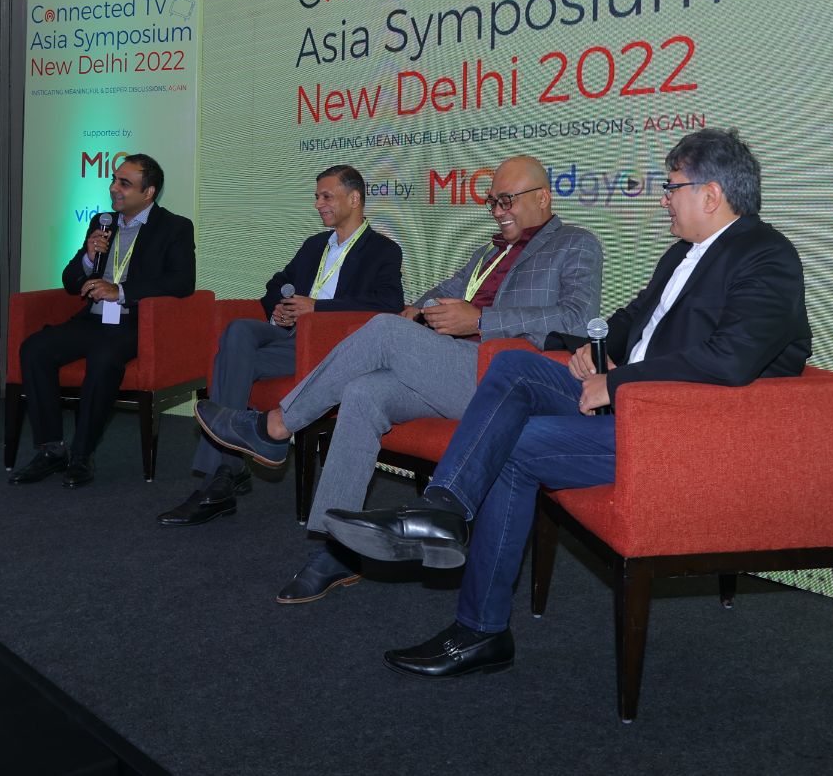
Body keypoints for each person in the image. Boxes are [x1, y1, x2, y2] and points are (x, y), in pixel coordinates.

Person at [325, 128, 811, 677]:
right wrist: (592, 350)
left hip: (675, 430)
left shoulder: (767, 256)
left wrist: (619, 382)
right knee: (514, 367)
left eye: (672, 187)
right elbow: (633, 317)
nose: (664, 199)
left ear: (711, 194)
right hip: (635, 404)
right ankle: (443, 509)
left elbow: (731, 359)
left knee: (514, 446)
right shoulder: (683, 253)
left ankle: (480, 630)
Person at [192, 155, 603, 605]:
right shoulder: (490, 251)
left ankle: (275, 426)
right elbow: (447, 289)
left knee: (384, 331)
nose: (498, 211)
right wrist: (417, 308)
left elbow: (576, 318)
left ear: (542, 197)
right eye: (492, 202)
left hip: (504, 377)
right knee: (363, 392)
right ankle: (337, 550)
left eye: (507, 200)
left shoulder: (575, 243)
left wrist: (482, 320)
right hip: (454, 366)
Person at [156, 165, 403, 525]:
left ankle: (220, 478)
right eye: (316, 197)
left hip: (329, 345)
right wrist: (281, 311)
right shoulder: (315, 245)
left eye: (326, 196)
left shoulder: (383, 249)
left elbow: (388, 304)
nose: (318, 204)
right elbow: (277, 283)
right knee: (238, 331)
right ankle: (226, 471)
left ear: (354, 199)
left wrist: (317, 308)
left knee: (231, 363)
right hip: (289, 336)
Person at [11, 153, 195, 488]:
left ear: (148, 192)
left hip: (134, 323)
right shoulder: (102, 222)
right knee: (35, 349)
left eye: (125, 183)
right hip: (92, 320)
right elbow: (70, 281)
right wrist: (88, 256)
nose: (113, 188)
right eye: (113, 180)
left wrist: (120, 291)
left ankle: (82, 454)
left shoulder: (174, 227)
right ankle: (52, 449)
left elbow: (182, 282)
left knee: (104, 356)